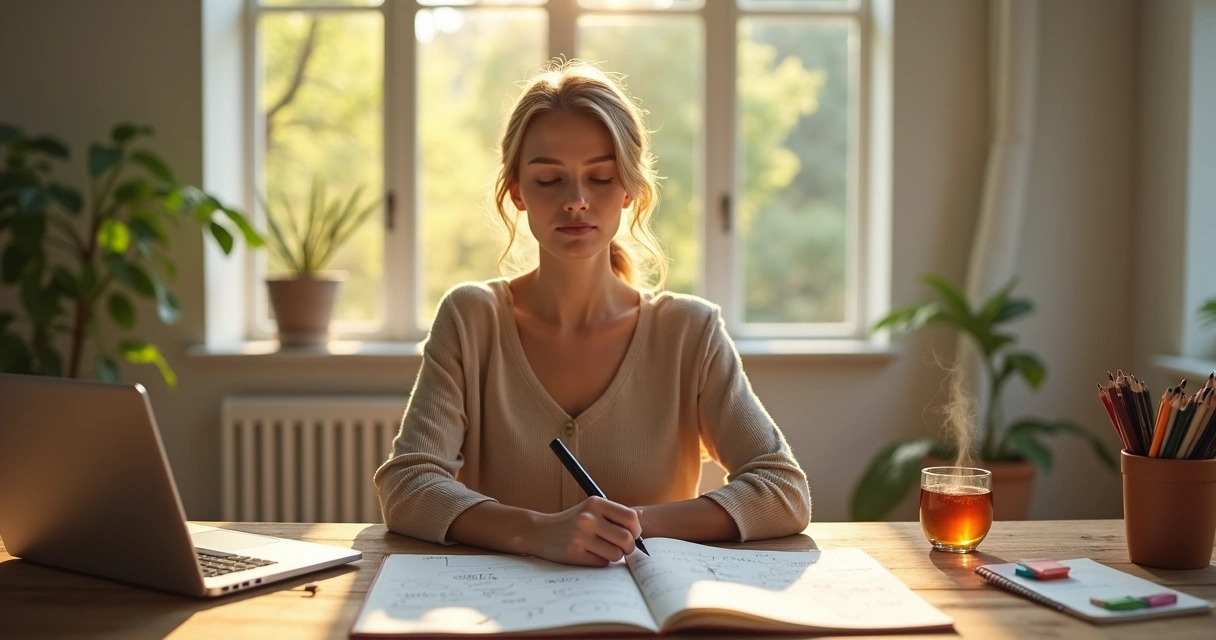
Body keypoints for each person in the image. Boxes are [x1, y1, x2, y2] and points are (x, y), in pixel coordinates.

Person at [374, 60, 809, 567]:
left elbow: (782, 489)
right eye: (549, 179)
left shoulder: (689, 332)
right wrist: (536, 532)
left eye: (600, 177)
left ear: (628, 189)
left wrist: (627, 526)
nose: (576, 201)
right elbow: (407, 485)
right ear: (517, 191)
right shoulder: (471, 320)